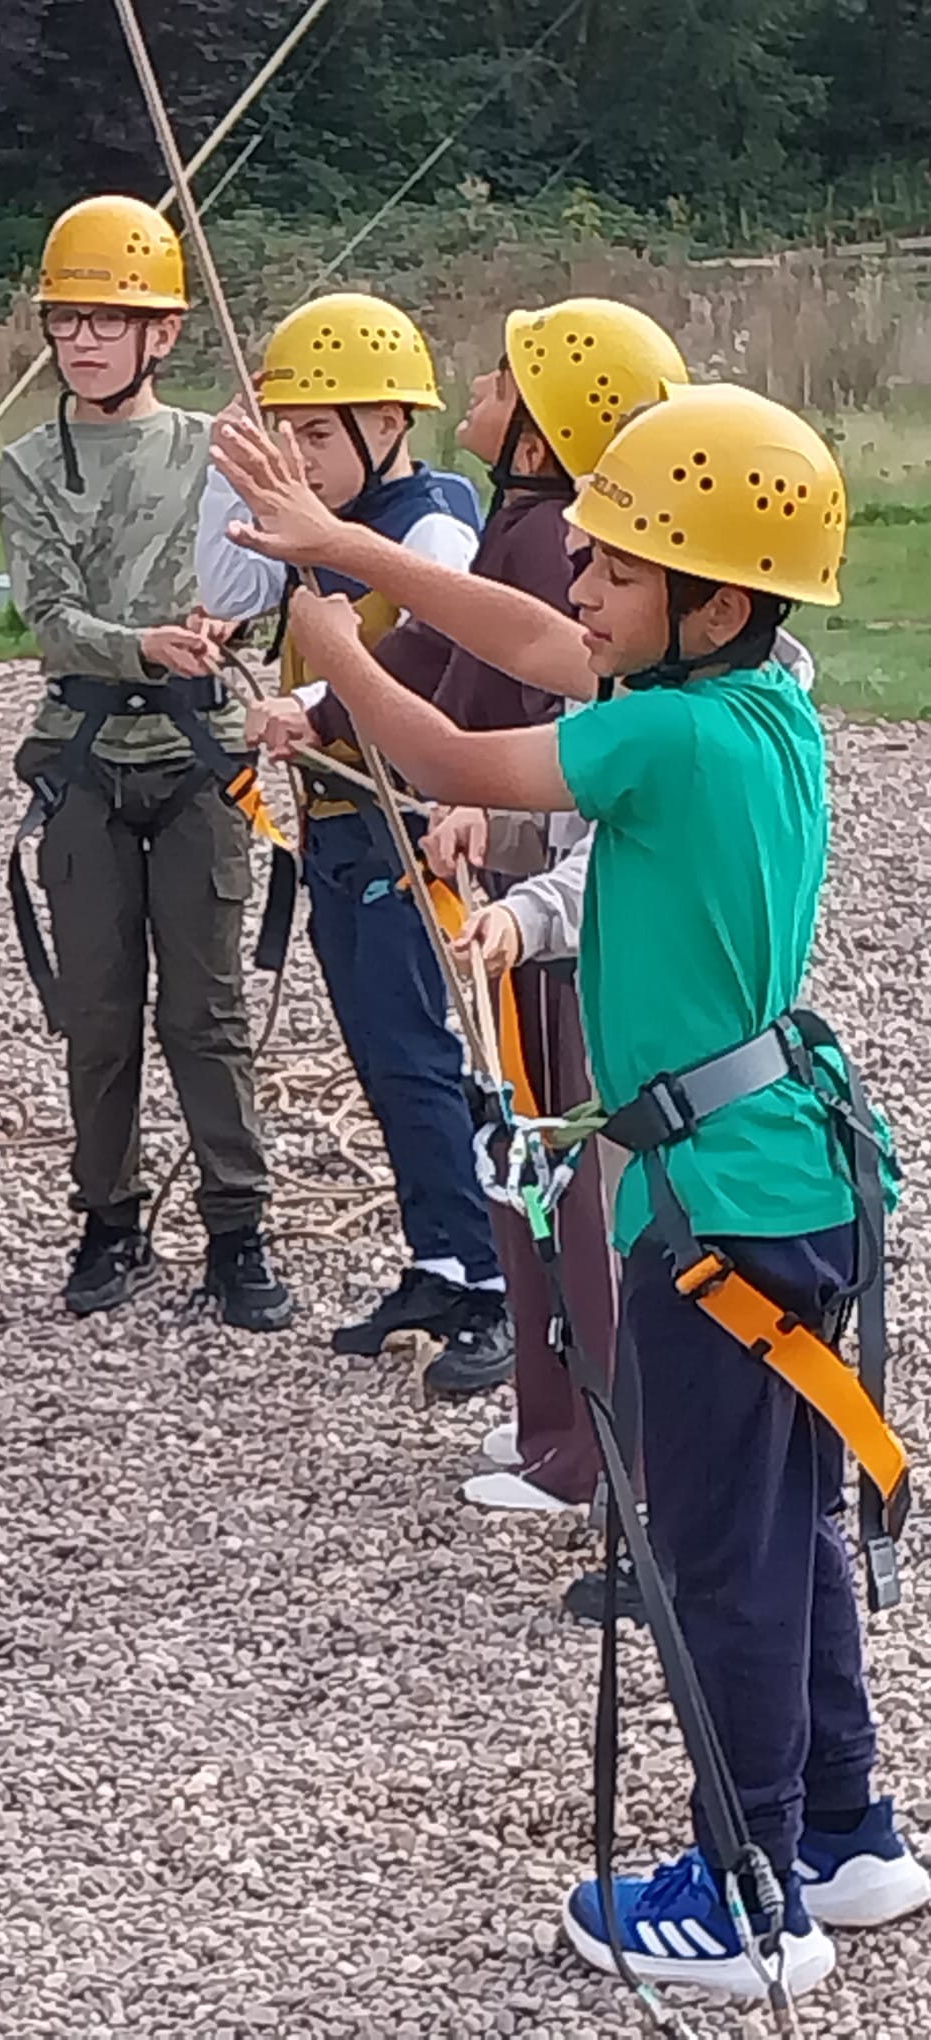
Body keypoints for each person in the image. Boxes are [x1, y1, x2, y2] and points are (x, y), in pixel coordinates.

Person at [210, 381, 929, 1998]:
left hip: (711, 1210)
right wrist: (341, 540)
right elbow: (546, 651)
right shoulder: (757, 705)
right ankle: (837, 1830)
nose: (578, 589)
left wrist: (331, 649)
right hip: (782, 1177)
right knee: (782, 1523)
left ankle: (748, 1901)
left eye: (612, 566)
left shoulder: (664, 731)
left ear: (710, 600)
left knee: (720, 1552)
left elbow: (465, 740)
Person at [379, 299, 688, 1450]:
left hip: (569, 951)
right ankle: (569, 1444)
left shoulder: (571, 562)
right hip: (534, 908)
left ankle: (603, 1460)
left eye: (507, 378)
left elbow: (486, 718)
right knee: (539, 1178)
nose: (586, 588)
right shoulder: (548, 539)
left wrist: (326, 591)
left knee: (581, 1197)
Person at [196, 293, 512, 1394]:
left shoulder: (433, 519)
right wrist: (239, 472)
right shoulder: (309, 519)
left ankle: (490, 1277)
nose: (302, 456)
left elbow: (433, 638)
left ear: (388, 424)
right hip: (333, 825)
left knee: (429, 1054)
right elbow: (224, 582)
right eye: (289, 433)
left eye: (318, 434)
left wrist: (319, 704)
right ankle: (437, 1254)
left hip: (398, 822)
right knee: (384, 1054)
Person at [0, 194, 293, 1332]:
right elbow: (49, 614)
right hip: (85, 760)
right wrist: (139, 645)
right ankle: (109, 1221)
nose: (81, 340)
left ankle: (239, 1228)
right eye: (67, 319)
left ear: (160, 334)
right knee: (100, 1011)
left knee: (206, 1012)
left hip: (198, 756)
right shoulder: (31, 465)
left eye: (106, 321)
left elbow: (270, 576)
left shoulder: (217, 451)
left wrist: (227, 632)